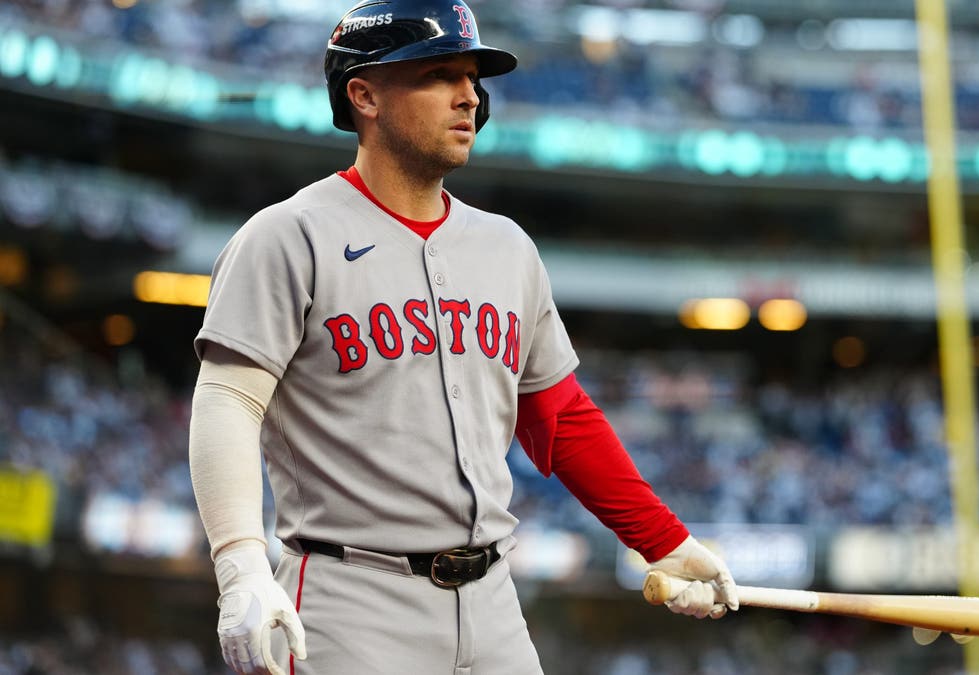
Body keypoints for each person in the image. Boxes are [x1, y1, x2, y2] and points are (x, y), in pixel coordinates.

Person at [188, 1, 738, 673]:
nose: (469, 95)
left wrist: (663, 538)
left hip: (493, 600)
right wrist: (241, 562)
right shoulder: (287, 235)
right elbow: (228, 401)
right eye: (440, 74)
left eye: (474, 78)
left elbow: (558, 417)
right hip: (353, 600)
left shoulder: (508, 248)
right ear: (365, 95)